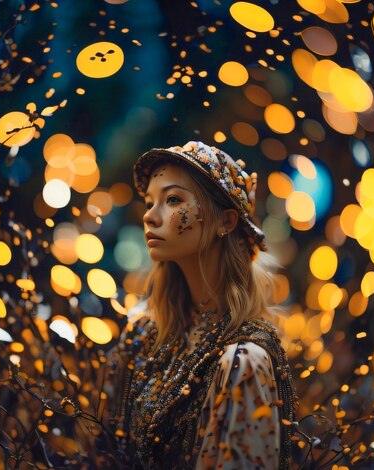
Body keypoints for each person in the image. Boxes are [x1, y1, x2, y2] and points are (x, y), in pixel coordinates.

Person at [100, 141, 296, 469]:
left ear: (226, 222)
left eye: (173, 199)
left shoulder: (243, 361)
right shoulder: (142, 336)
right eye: (150, 202)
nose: (149, 215)